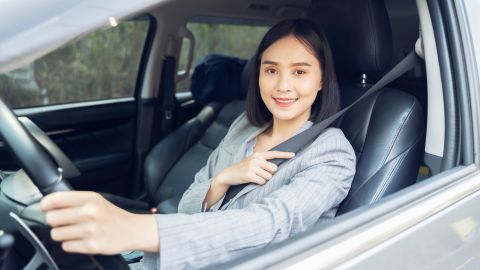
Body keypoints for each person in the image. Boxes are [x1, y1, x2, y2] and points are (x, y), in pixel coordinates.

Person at [40, 18, 356, 270]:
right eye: (271, 70)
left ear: (322, 80)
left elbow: (274, 225)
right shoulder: (244, 126)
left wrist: (141, 230)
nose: (283, 85)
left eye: (299, 72)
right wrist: (222, 180)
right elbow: (188, 203)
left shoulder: (331, 152)